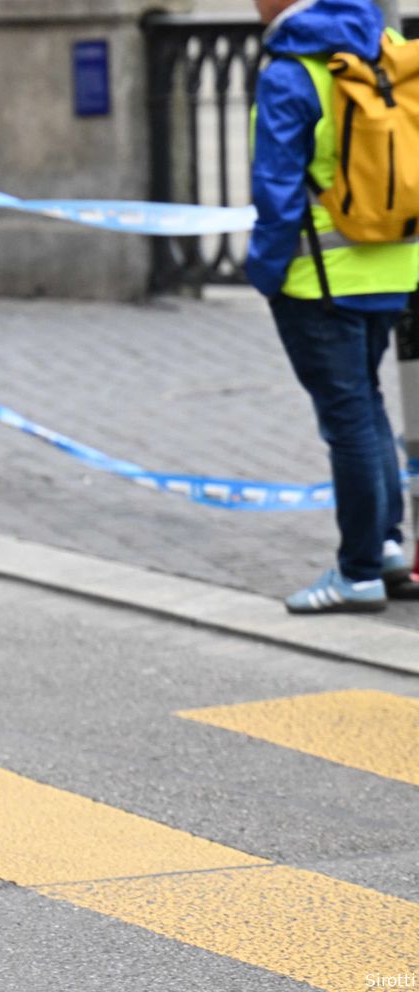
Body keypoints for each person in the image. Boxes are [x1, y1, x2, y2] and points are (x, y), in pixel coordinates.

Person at [247, 0, 415, 614]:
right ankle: (388, 547)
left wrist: (264, 272)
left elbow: (276, 187)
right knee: (364, 407)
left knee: (346, 422)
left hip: (319, 276)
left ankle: (358, 572)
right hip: (394, 263)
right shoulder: (383, 45)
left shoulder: (293, 69)